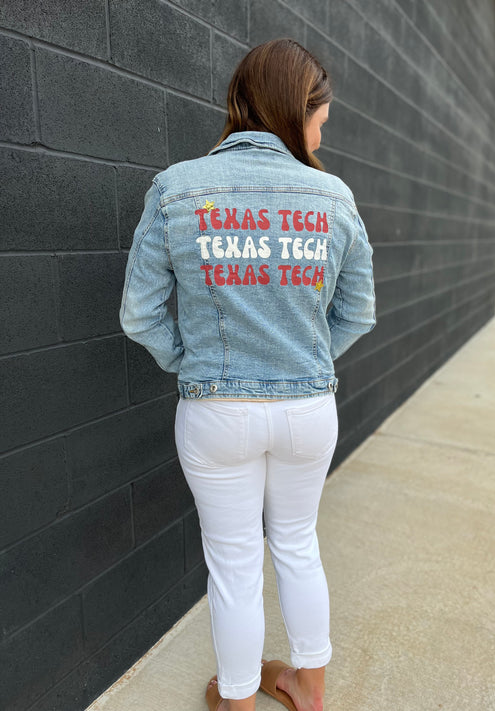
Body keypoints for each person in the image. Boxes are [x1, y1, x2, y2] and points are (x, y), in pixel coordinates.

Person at [120, 38, 376, 711]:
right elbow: (358, 311)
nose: (325, 129)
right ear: (298, 110)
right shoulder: (333, 196)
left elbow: (140, 316)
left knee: (233, 563)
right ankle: (307, 689)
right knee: (296, 544)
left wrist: (194, 366)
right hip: (305, 410)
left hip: (215, 411)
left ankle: (236, 702)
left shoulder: (176, 187)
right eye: (321, 116)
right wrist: (306, 364)